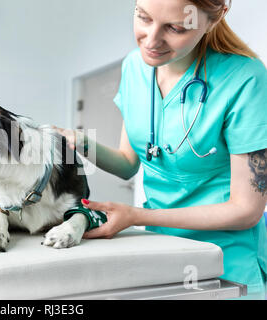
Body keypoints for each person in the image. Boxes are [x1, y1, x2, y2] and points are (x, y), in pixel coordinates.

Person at [57, 0, 266, 298]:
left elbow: (246, 210)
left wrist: (137, 216)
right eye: (143, 18)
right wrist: (80, 142)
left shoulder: (245, 78)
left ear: (214, 18)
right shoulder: (134, 66)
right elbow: (129, 162)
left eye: (175, 28)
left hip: (226, 264)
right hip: (162, 255)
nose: (152, 40)